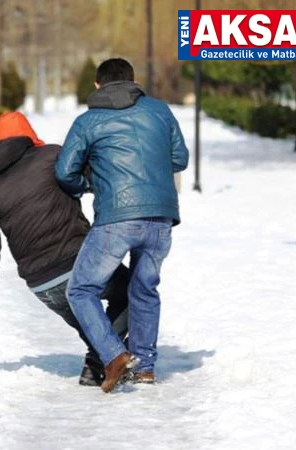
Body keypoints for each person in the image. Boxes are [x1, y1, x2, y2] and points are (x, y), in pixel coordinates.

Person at [55, 58, 189, 393]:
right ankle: (144, 367)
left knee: (81, 289)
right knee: (144, 289)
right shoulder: (159, 111)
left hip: (116, 218)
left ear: (97, 85)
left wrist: (89, 183)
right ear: (133, 81)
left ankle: (113, 354)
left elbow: (64, 172)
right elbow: (180, 159)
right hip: (161, 216)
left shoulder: (87, 121)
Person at [0, 111, 131, 386]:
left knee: (92, 326)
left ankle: (97, 366)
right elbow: (96, 178)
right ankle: (99, 360)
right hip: (81, 262)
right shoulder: (52, 157)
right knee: (133, 292)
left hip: (41, 283)